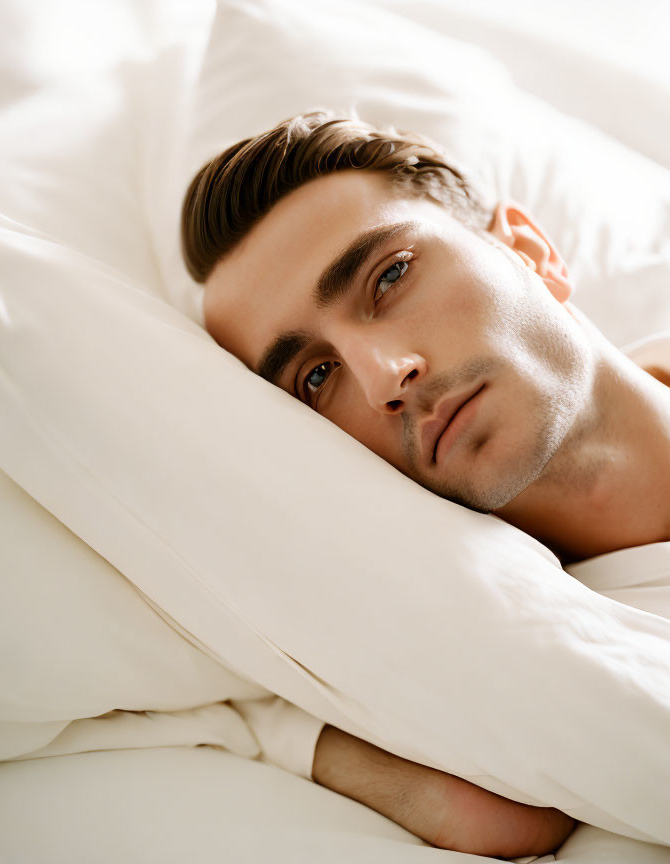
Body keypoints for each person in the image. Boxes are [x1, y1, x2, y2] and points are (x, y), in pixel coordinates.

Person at [180, 111, 670, 858]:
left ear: (530, 250)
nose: (384, 376)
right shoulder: (549, 669)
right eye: (316, 377)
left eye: (391, 275)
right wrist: (299, 737)